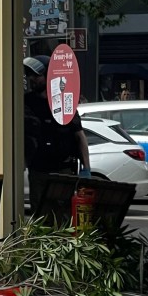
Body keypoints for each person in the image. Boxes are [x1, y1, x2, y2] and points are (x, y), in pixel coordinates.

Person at [21, 55, 90, 200]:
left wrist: (86, 169)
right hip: (38, 170)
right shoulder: (26, 102)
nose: (32, 78)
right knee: (40, 216)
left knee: (62, 215)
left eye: (37, 74)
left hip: (62, 170)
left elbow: (79, 136)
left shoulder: (64, 103)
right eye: (29, 74)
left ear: (49, 75)